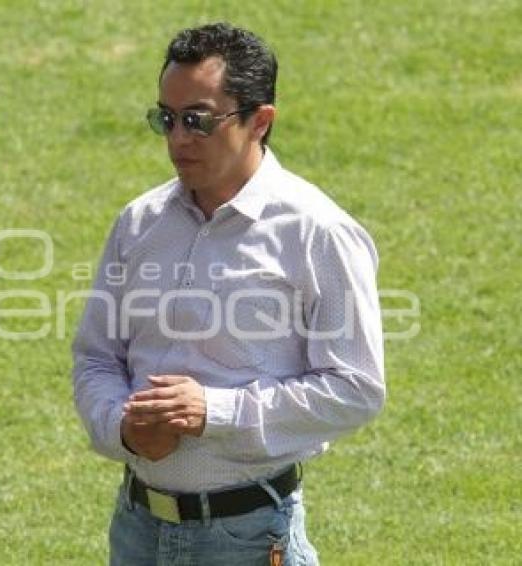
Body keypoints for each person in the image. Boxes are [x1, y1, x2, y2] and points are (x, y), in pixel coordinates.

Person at [73, 23, 385, 565]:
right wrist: (122, 428)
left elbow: (355, 387)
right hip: (135, 531)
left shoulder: (317, 232)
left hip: (248, 540)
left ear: (259, 121)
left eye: (198, 120)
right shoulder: (139, 222)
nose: (177, 139)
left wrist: (212, 411)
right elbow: (97, 357)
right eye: (165, 119)